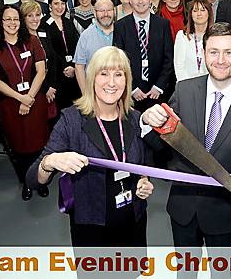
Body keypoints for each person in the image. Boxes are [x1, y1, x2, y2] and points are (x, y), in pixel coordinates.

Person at [141, 23, 231, 278]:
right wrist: (147, 122)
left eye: (228, 52)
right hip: (183, 209)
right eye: (213, 52)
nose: (220, 60)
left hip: (226, 213)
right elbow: (163, 147)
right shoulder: (184, 90)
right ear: (204, 53)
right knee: (185, 274)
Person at [26, 46, 154, 247]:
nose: (111, 83)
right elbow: (33, 179)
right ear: (91, 78)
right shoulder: (72, 120)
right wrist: (49, 162)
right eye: (103, 74)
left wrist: (144, 181)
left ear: (127, 81)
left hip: (132, 222)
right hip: (91, 229)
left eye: (119, 75)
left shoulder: (135, 119)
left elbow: (142, 163)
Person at [0, 5, 49, 201]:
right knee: (19, 147)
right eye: (8, 19)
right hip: (11, 105)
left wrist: (28, 97)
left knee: (40, 144)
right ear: (1, 22)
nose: (12, 23)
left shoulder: (32, 41)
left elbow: (41, 71)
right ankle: (26, 183)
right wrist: (20, 98)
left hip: (35, 101)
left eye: (16, 19)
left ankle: (41, 182)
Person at [113, 0, 174, 112]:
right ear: (130, 0)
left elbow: (169, 59)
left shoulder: (163, 24)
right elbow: (119, 62)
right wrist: (132, 88)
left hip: (158, 93)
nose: (140, 1)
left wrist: (159, 86)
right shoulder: (120, 26)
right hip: (131, 94)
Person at [41, 0, 81, 110]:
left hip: (73, 74)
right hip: (56, 76)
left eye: (63, 3)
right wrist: (64, 66)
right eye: (56, 3)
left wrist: (73, 67)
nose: (60, 7)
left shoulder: (68, 22)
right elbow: (49, 51)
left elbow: (77, 46)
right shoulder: (43, 24)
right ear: (50, 5)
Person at [20, 0, 59, 116]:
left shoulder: (43, 33)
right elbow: (28, 69)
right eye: (30, 16)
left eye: (37, 15)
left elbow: (52, 60)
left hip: (51, 89)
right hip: (34, 91)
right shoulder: (21, 40)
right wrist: (45, 88)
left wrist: (52, 85)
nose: (35, 19)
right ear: (23, 18)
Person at [74, 0, 116, 95]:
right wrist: (86, 94)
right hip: (93, 92)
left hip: (118, 91)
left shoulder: (123, 32)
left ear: (114, 11)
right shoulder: (86, 35)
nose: (106, 14)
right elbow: (79, 66)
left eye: (109, 10)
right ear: (94, 12)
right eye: (101, 11)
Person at [174, 0, 211, 82]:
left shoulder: (215, 37)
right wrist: (187, 86)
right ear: (190, 14)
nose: (199, 14)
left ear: (209, 13)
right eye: (195, 11)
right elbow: (179, 66)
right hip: (187, 85)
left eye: (202, 10)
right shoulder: (182, 36)